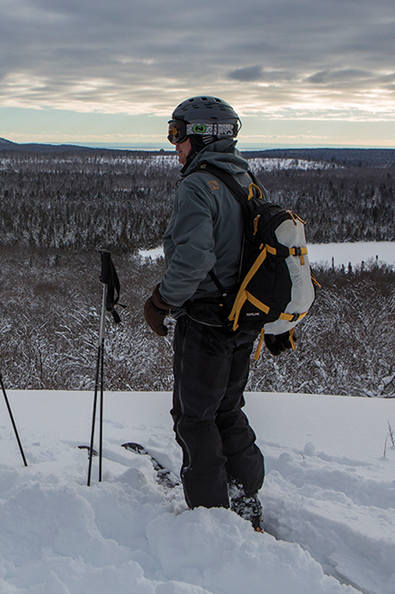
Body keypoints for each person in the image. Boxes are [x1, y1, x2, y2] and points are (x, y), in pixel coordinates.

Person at [143, 95, 265, 530]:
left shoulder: (198, 185)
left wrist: (161, 301)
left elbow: (193, 258)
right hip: (243, 319)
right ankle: (244, 497)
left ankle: (213, 517)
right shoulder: (245, 179)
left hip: (208, 321)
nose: (173, 144)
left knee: (194, 417)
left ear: (200, 136)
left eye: (177, 134)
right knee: (227, 409)